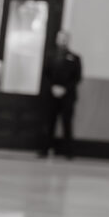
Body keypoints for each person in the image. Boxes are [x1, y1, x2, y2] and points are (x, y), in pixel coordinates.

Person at [39, 29, 82, 159]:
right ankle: (45, 149)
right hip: (51, 95)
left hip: (67, 96)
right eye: (60, 38)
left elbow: (77, 77)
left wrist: (64, 89)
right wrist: (53, 87)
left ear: (68, 40)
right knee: (49, 122)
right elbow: (45, 74)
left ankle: (68, 152)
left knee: (66, 122)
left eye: (65, 38)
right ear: (57, 39)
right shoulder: (50, 56)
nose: (62, 40)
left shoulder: (75, 58)